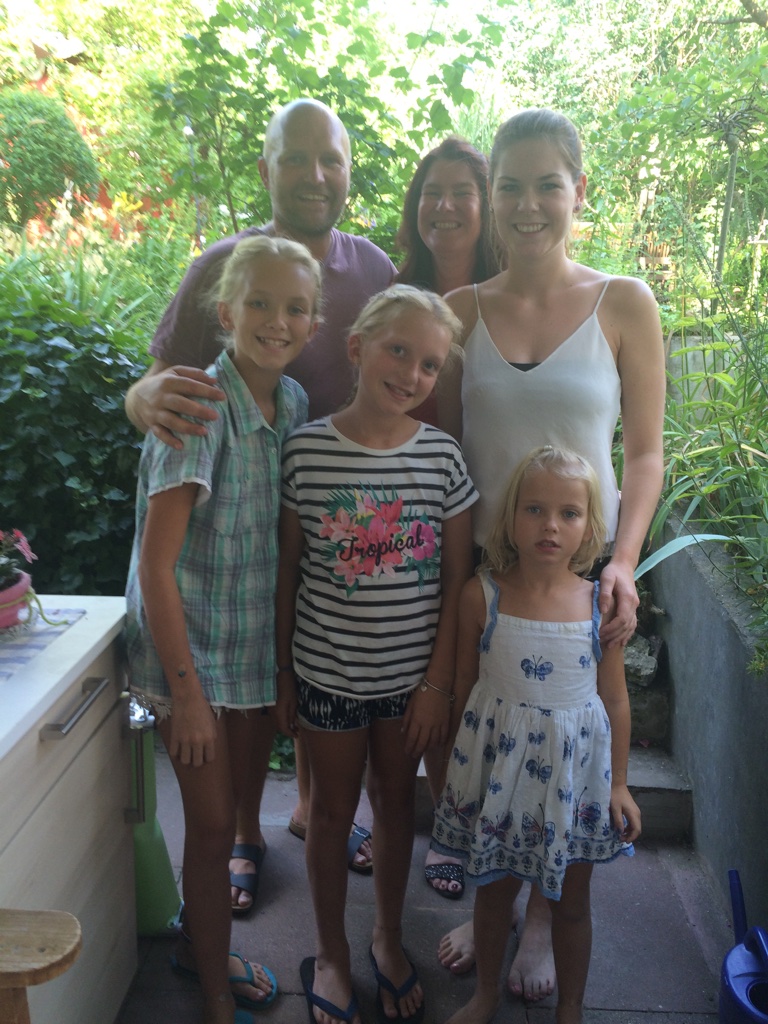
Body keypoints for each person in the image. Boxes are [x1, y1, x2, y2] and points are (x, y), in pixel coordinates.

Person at [124, 98, 395, 910]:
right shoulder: (222, 263)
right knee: (239, 692)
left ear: (348, 170)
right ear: (265, 167)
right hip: (230, 512)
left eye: (331, 158)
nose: (315, 174)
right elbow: (160, 379)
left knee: (301, 667)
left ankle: (313, 810)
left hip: (329, 514)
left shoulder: (374, 270)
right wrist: (141, 398)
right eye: (295, 157)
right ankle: (243, 831)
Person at [435, 109, 665, 1001]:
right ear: (491, 197)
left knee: (568, 747)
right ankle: (493, 897)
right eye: (510, 187)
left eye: (547, 184)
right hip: (483, 578)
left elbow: (643, 455)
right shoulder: (461, 312)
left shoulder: (624, 303)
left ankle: (542, 919)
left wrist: (623, 562)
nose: (527, 204)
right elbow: (435, 446)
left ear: (579, 191)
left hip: (579, 579)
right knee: (485, 740)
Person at [125, 234, 322, 1024]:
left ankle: (198, 944)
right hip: (190, 658)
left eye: (296, 308)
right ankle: (211, 992)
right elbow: (155, 567)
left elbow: (281, 544)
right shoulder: (198, 409)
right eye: (260, 303)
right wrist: (187, 697)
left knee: (235, 804)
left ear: (314, 324)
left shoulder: (294, 403)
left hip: (249, 652)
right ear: (226, 313)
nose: (278, 320)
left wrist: (281, 669)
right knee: (211, 831)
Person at [275, 285, 477, 1024]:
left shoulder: (443, 458)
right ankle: (330, 953)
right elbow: (288, 573)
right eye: (399, 351)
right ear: (357, 348)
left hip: (409, 686)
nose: (412, 374)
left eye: (430, 364)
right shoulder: (305, 451)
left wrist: (437, 684)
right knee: (331, 813)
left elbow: (456, 581)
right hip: (327, 675)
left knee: (395, 803)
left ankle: (387, 937)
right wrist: (282, 673)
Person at [432, 445, 642, 1024]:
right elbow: (465, 688)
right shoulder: (481, 596)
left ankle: (570, 1007)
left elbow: (615, 699)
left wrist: (619, 784)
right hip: (499, 779)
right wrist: (455, 772)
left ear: (590, 527)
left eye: (568, 513)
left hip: (574, 786)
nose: (550, 525)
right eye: (535, 509)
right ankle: (485, 995)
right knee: (492, 894)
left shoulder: (600, 606)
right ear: (510, 519)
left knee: (572, 904)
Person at [395, 137, 501, 902]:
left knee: (472, 678)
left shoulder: (509, 292)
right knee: (410, 669)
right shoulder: (394, 290)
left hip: (490, 510)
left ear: (487, 204)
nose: (446, 204)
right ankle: (425, 815)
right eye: (433, 189)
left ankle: (471, 823)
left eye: (464, 190)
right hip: (401, 509)